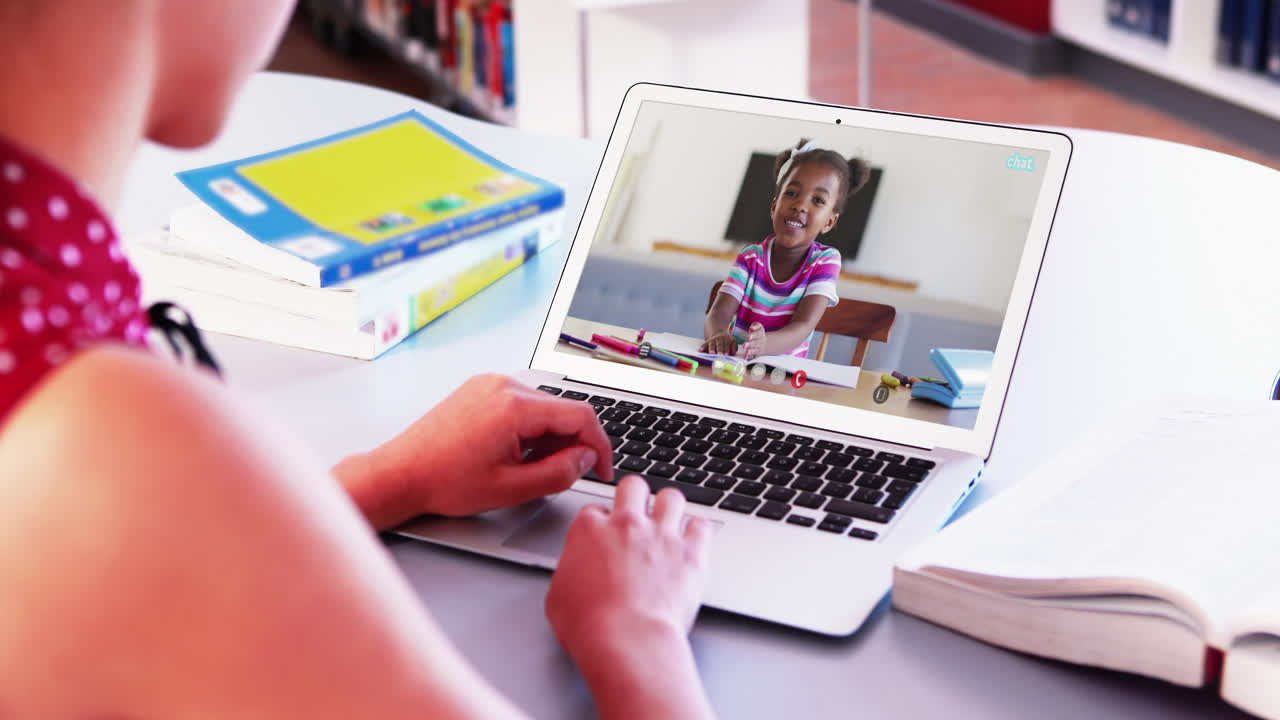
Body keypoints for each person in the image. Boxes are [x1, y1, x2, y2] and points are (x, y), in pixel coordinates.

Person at [0, 2, 715, 717]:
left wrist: (387, 480)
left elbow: (144, 584)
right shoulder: (122, 443)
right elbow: (148, 531)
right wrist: (640, 637)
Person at [702, 139, 871, 360]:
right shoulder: (750, 256)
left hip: (783, 377)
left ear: (829, 222)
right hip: (733, 369)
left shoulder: (825, 262)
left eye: (818, 200)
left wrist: (765, 344)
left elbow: (803, 325)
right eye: (791, 193)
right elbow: (719, 312)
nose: (800, 205)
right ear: (774, 206)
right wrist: (718, 333)